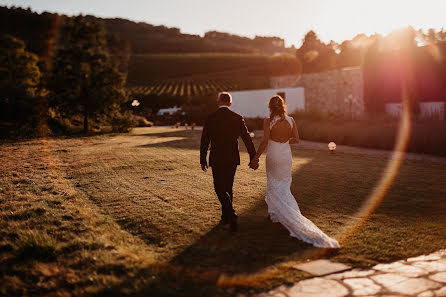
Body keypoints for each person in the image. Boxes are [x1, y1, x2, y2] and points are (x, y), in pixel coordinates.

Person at [249, 95, 339, 248]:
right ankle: (276, 214)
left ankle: (278, 214)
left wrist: (255, 158)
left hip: (274, 155)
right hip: (285, 155)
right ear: (283, 105)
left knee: (273, 182)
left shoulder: (267, 121)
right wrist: (284, 142)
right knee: (284, 184)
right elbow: (296, 139)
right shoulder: (291, 120)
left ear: (270, 107)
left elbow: (265, 142)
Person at [200, 92, 258, 232]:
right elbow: (247, 138)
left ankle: (230, 214)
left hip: (217, 157)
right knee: (227, 187)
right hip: (232, 158)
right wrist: (253, 157)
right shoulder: (237, 118)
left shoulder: (211, 117)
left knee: (219, 188)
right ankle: (226, 217)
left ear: (218, 102)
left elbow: (205, 140)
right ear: (230, 103)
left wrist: (203, 159)